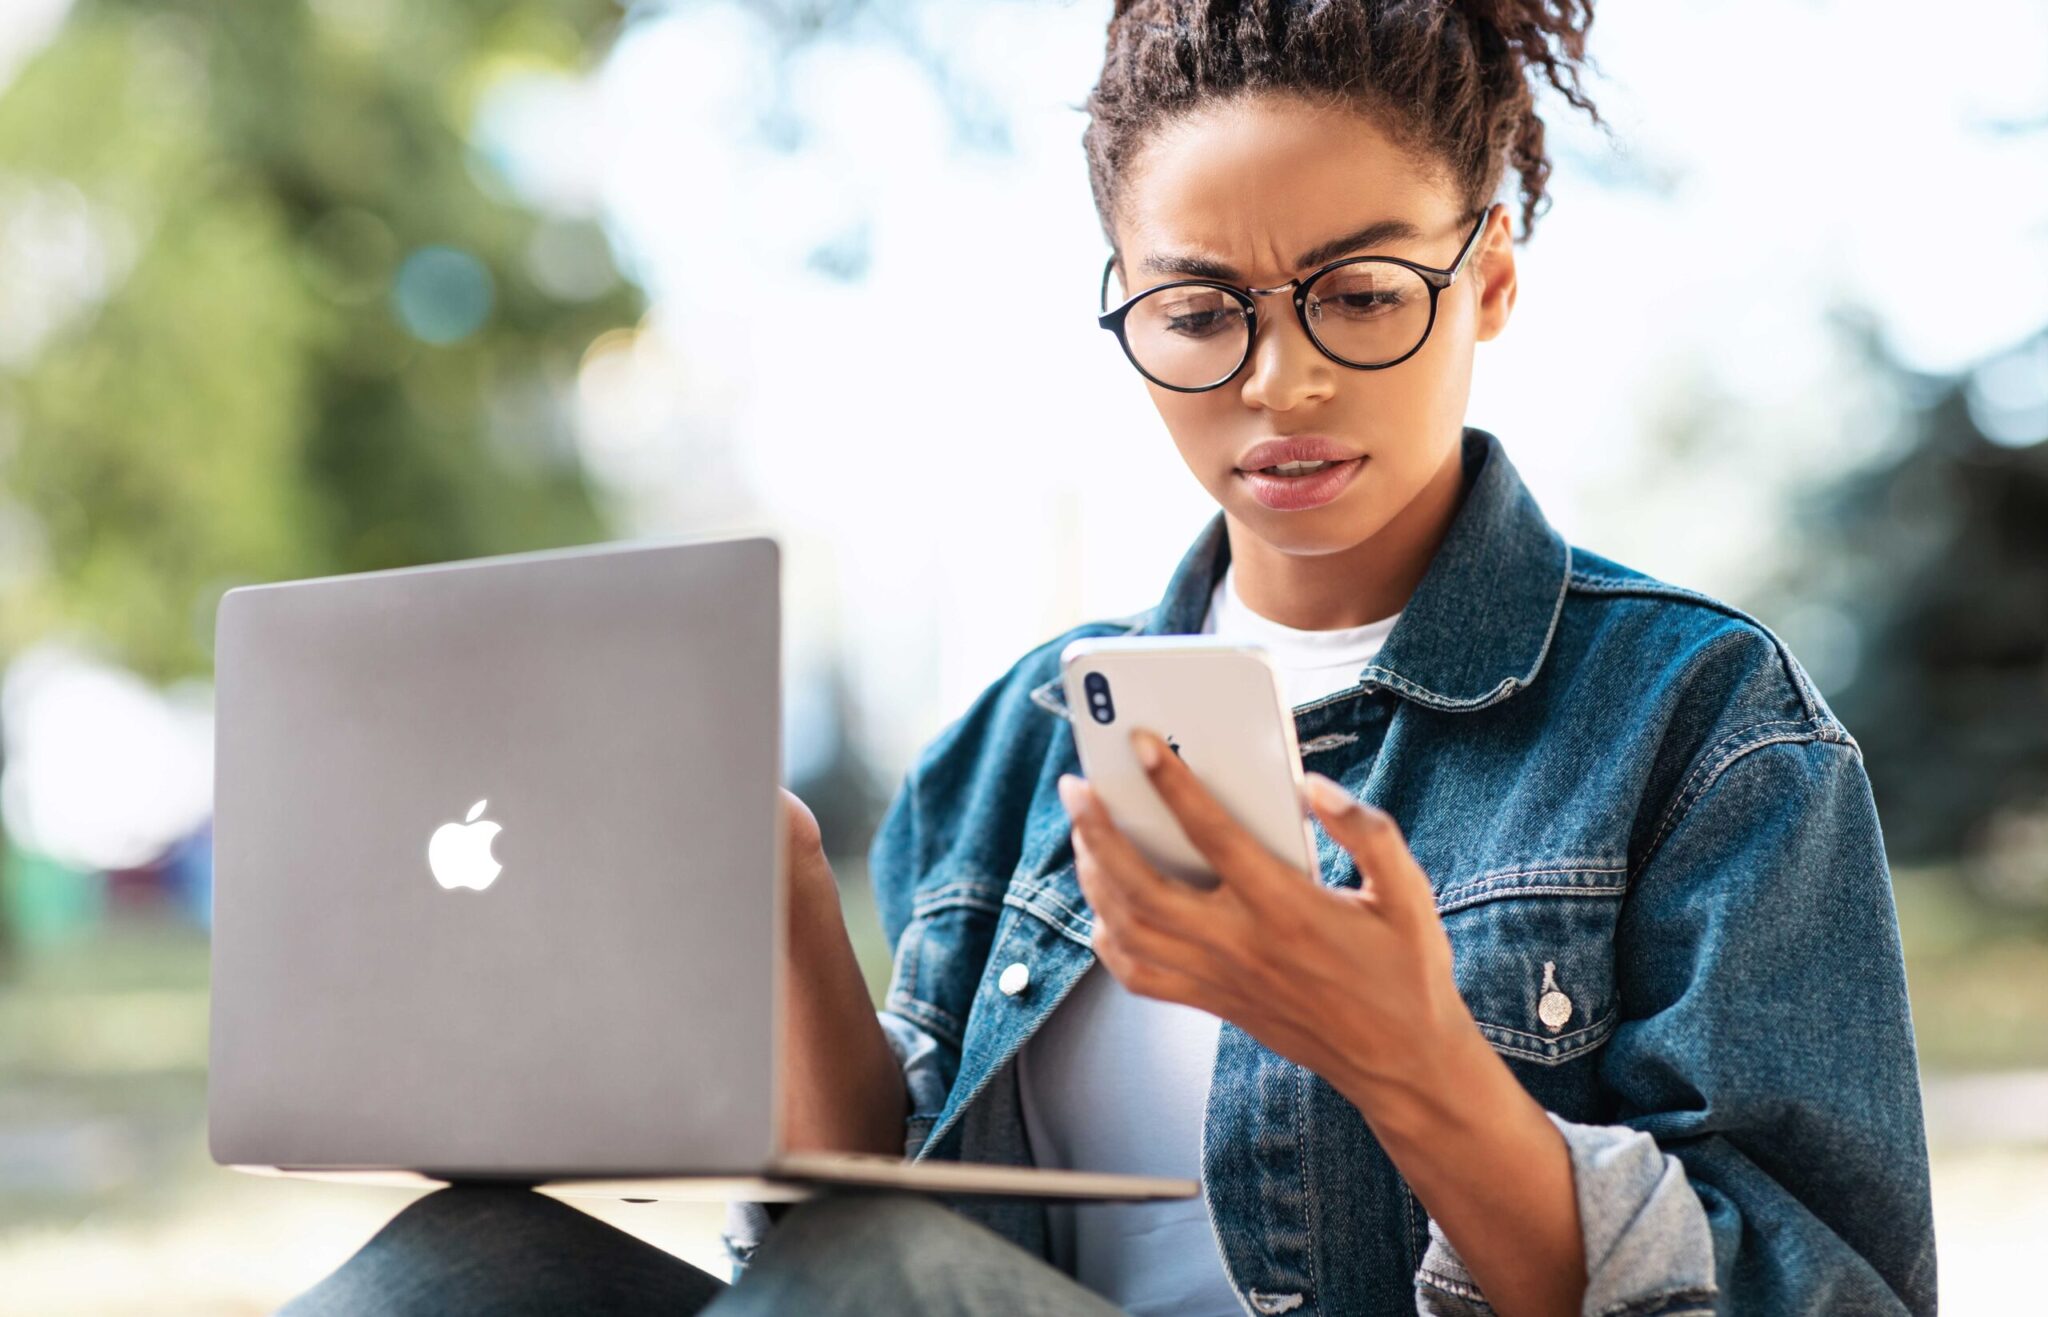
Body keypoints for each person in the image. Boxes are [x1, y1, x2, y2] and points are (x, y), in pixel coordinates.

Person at [279, 1, 1939, 1313]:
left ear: (1488, 276)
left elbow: (1830, 1300)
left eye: (1362, 293)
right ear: (1127, 306)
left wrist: (1410, 1062)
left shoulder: (1700, 724)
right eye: (1203, 311)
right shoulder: (1017, 735)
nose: (1279, 382)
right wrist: (781, 905)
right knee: (457, 1264)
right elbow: (872, 1240)